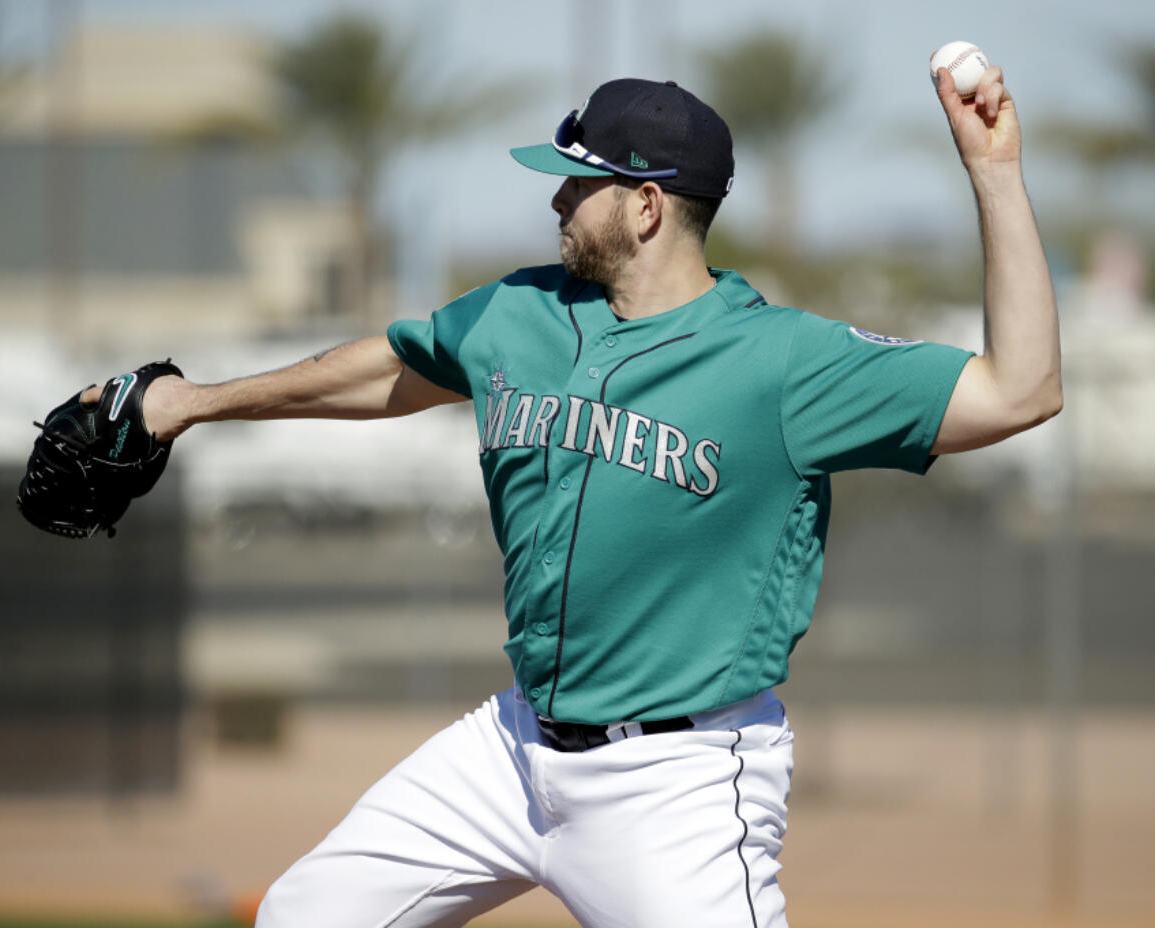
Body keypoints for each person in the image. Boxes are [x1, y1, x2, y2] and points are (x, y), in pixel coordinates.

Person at [91, 68, 1060, 927]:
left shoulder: (781, 361)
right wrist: (189, 404)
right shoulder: (524, 310)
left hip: (675, 776)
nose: (555, 196)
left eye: (577, 179)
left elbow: (1018, 391)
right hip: (511, 748)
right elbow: (393, 367)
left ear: (645, 205)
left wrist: (993, 175)